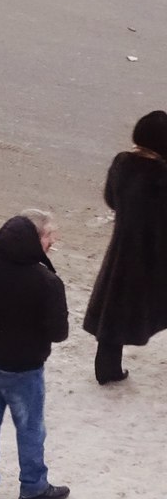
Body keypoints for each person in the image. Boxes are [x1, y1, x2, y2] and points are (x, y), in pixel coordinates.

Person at [0, 211, 70, 499]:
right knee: (30, 428)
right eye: (49, 236)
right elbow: (59, 332)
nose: (52, 242)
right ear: (34, 240)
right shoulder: (46, 281)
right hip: (23, 368)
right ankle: (33, 486)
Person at [83, 110, 167, 384]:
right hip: (157, 253)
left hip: (123, 247)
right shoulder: (161, 176)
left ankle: (107, 370)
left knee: (114, 307)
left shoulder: (122, 163)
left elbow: (111, 199)